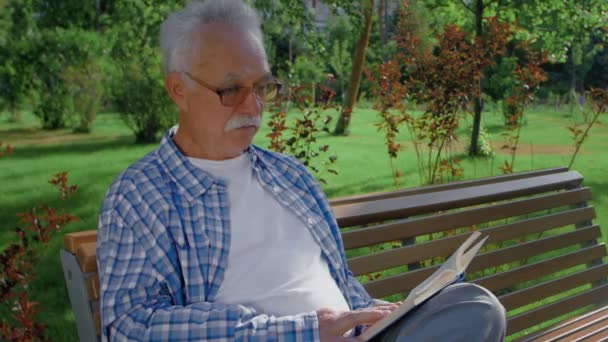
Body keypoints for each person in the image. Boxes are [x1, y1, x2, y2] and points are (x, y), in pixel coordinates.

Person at [96, 0, 507, 341]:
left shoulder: (289, 176)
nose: (253, 107)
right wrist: (303, 331)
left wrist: (375, 315)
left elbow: (341, 283)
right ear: (178, 90)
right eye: (231, 89)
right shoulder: (140, 194)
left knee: (475, 307)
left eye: (261, 87)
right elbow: (130, 326)